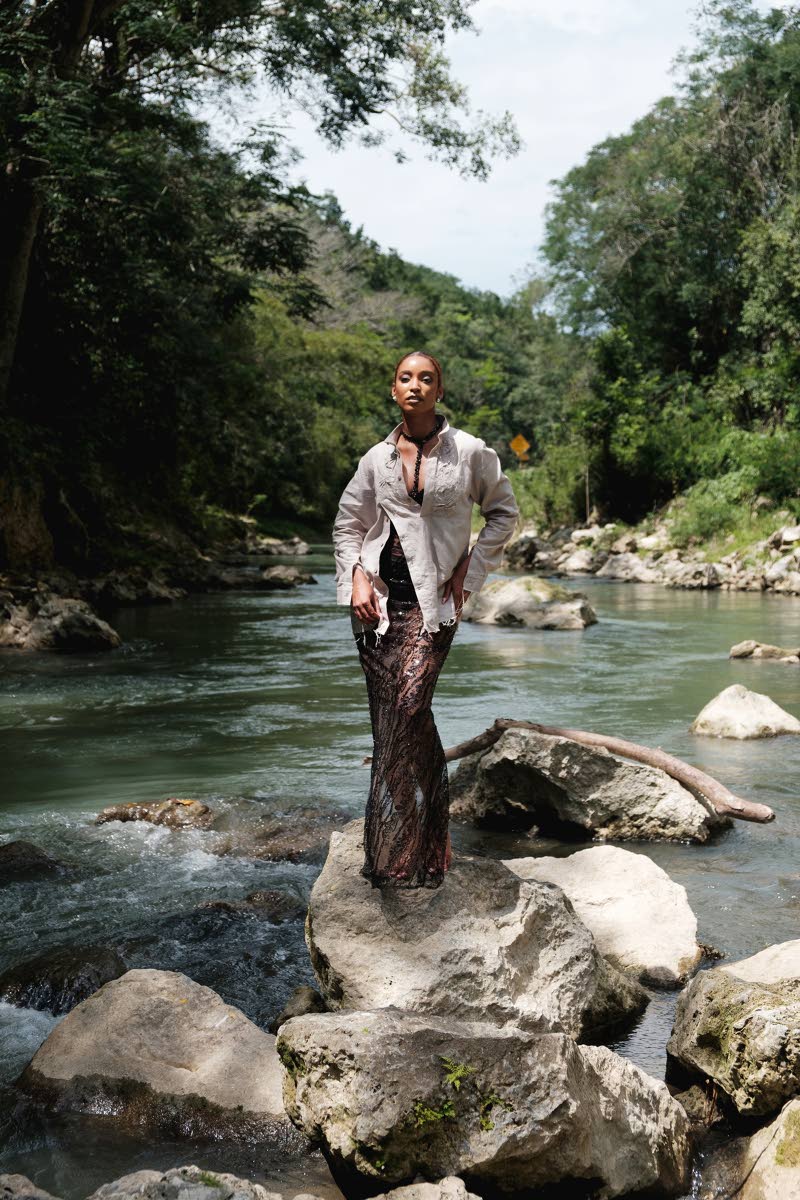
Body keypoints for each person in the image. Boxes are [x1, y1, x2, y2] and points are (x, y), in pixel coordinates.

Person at [333, 351, 519, 889]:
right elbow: (349, 525)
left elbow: (503, 512)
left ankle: (425, 838)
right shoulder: (375, 459)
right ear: (394, 390)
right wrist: (357, 579)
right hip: (377, 607)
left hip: (434, 603)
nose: (415, 386)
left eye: (427, 378)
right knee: (392, 724)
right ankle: (411, 844)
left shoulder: (470, 453)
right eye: (405, 378)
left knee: (410, 705)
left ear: (440, 390)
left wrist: (470, 568)